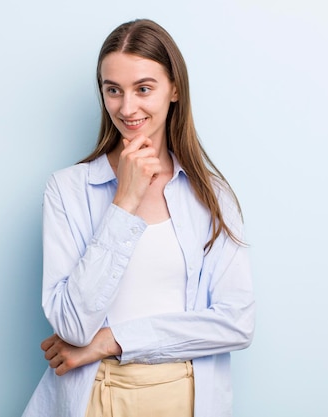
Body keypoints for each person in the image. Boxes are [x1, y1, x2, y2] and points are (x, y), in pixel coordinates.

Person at [22, 18, 255, 417]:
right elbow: (74, 327)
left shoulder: (213, 197)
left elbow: (236, 323)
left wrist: (114, 340)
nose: (127, 108)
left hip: (183, 397)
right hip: (95, 397)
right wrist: (124, 203)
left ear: (174, 90)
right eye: (113, 90)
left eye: (143, 89)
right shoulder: (67, 190)